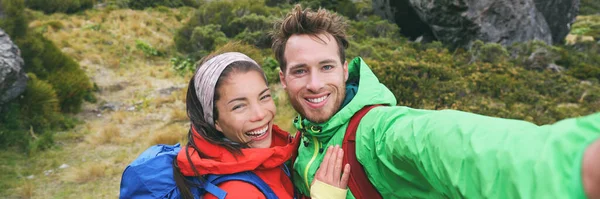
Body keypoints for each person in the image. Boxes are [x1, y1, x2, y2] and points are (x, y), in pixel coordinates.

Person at [271, 4, 600, 199]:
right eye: (300, 71)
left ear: (345, 70)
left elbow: (456, 142)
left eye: (326, 67)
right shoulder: (300, 142)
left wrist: (572, 161)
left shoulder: (378, 133)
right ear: (283, 78)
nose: (315, 84)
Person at [120, 51, 351, 199]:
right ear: (215, 121)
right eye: (239, 106)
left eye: (264, 97)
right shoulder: (237, 192)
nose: (260, 114)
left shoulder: (268, 155)